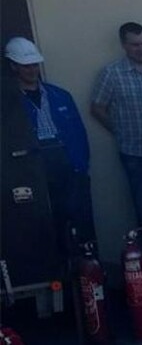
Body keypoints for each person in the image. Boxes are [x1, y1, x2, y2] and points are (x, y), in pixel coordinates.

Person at [7, 37, 94, 250]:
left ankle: (88, 273)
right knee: (46, 227)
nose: (31, 70)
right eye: (25, 66)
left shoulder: (60, 95)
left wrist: (80, 167)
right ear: (14, 66)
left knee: (80, 222)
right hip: (35, 170)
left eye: (34, 65)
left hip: (68, 165)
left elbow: (79, 134)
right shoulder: (8, 102)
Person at [90, 22, 142, 246]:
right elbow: (97, 108)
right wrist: (119, 131)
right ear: (124, 45)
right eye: (135, 45)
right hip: (135, 153)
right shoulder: (111, 73)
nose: (141, 48)